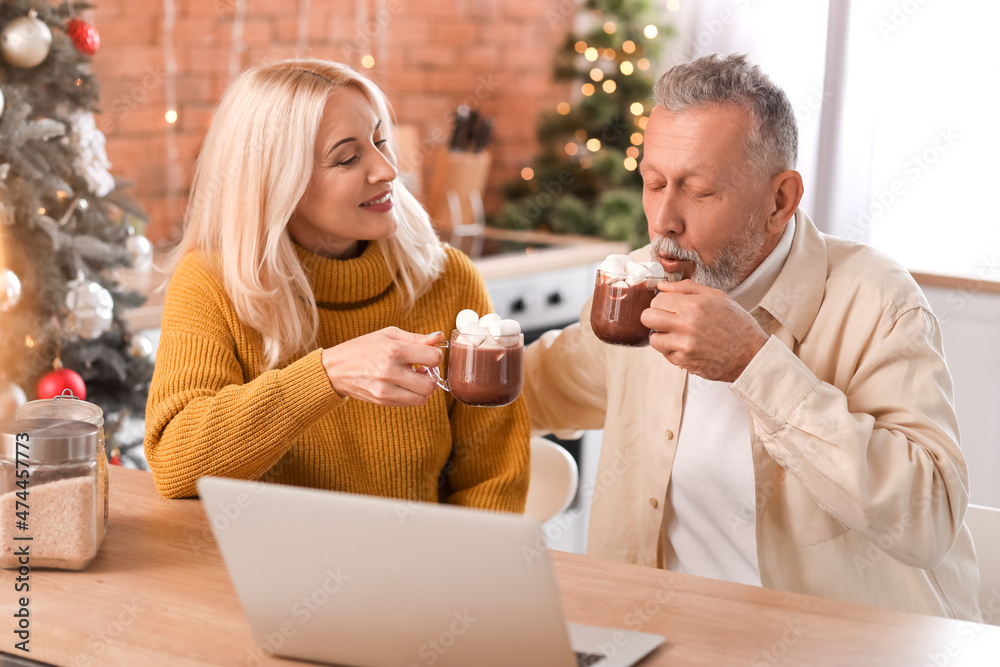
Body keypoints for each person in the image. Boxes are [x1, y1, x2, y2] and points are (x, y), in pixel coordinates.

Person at [523, 53, 981, 620]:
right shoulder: (645, 279)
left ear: (780, 200)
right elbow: (530, 389)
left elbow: (927, 519)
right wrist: (419, 364)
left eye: (699, 190)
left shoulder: (877, 297)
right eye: (654, 183)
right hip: (661, 638)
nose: (663, 219)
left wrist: (753, 363)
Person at [144, 59, 529, 512]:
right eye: (347, 157)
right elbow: (175, 463)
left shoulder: (449, 281)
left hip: (422, 576)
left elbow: (494, 480)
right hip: (266, 578)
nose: (387, 170)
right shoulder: (211, 284)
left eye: (381, 142)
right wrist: (327, 375)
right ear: (276, 183)